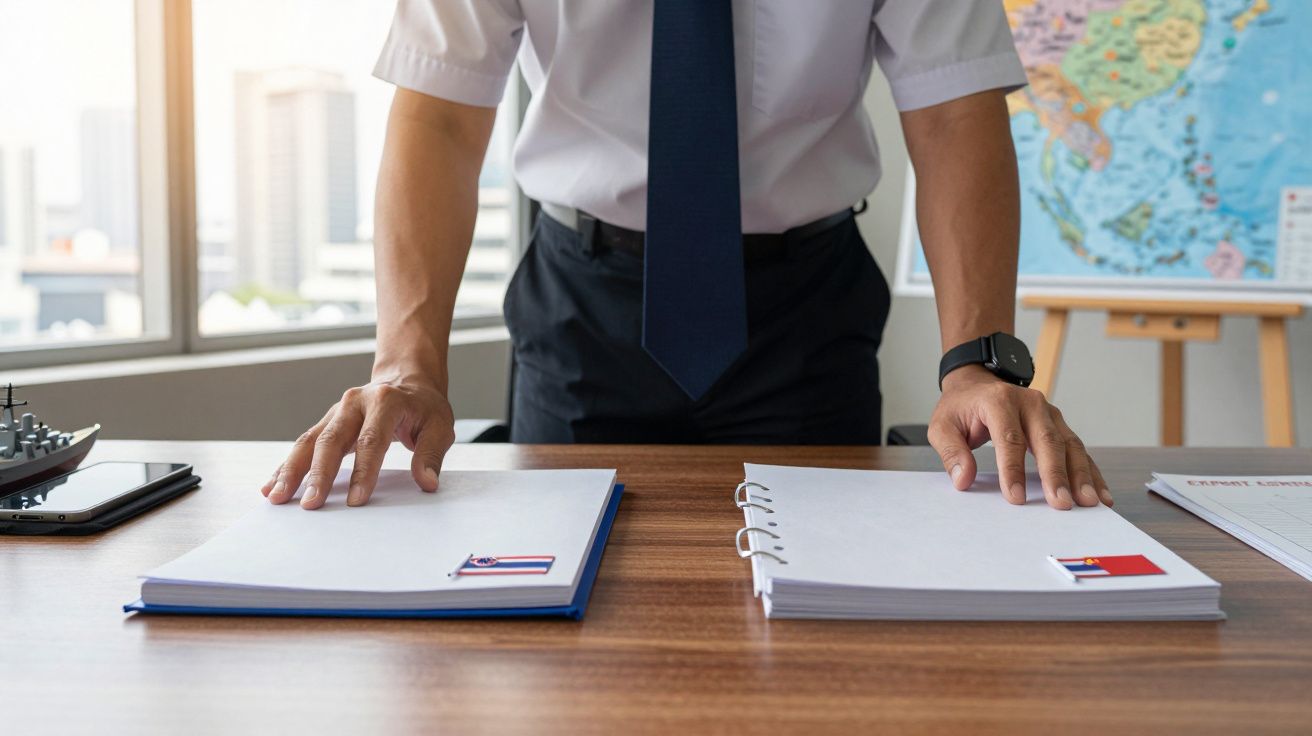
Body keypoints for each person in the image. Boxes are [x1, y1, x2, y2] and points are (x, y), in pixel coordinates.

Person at [262, 1, 1113, 513]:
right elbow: (439, 115)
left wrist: (975, 365)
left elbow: (954, 111)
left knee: (822, 625)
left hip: (806, 312)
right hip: (585, 305)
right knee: (562, 629)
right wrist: (407, 363)